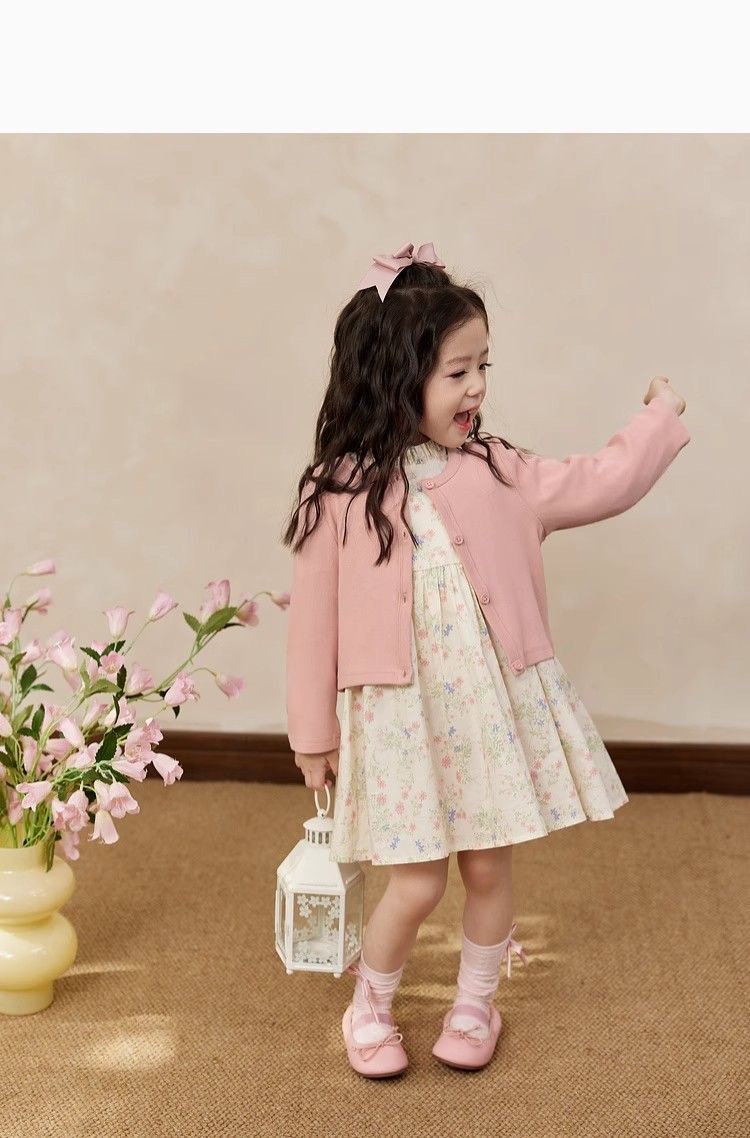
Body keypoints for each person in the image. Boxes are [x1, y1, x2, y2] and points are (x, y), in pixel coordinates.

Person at [281, 241, 691, 1078]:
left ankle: (474, 1004)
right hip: (399, 718)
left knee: (487, 868)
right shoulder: (340, 490)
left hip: (485, 713)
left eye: (483, 368)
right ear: (396, 377)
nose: (477, 388)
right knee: (416, 882)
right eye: (457, 372)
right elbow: (312, 624)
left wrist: (660, 415)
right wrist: (311, 733)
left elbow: (604, 478)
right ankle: (372, 1005)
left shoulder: (501, 472)